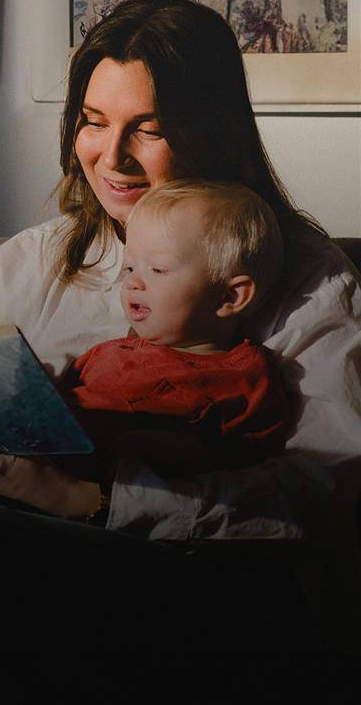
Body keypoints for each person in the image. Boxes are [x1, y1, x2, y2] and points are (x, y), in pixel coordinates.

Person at [0, 0, 361, 705]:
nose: (111, 158)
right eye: (93, 123)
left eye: (146, 130)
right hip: (37, 592)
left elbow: (330, 496)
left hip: (213, 596)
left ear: (210, 130)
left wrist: (91, 501)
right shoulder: (29, 263)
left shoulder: (302, 274)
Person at [64, 178, 290, 479]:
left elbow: (258, 465)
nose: (133, 282)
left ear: (229, 297)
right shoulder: (105, 353)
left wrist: (191, 453)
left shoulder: (246, 378)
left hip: (118, 505)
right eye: (129, 268)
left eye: (157, 270)